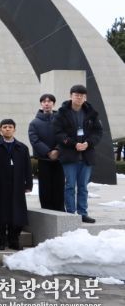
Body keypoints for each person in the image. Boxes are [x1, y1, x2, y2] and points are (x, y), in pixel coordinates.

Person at [53, 84, 103, 223]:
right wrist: (73, 143)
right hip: (69, 155)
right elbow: (58, 133)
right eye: (76, 95)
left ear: (85, 97)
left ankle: (82, 213)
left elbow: (98, 132)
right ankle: (71, 214)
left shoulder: (91, 113)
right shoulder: (61, 113)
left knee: (83, 187)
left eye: (82, 95)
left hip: (86, 155)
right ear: (71, 96)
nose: (79, 97)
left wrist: (88, 143)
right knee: (70, 186)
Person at [0, 119, 32, 250]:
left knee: (17, 214)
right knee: (0, 214)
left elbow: (28, 167)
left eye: (10, 127)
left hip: (17, 185)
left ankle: (14, 240)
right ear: (0, 129)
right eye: (4, 127)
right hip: (0, 185)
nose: (7, 129)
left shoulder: (22, 147)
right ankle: (0, 241)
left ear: (14, 129)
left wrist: (28, 184)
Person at [29, 94, 65, 211]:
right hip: (44, 159)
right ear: (41, 104)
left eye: (49, 101)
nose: (47, 103)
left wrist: (57, 150)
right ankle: (46, 210)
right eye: (44, 101)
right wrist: (49, 152)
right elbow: (35, 140)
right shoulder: (34, 123)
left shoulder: (61, 121)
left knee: (59, 186)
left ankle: (60, 210)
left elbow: (65, 137)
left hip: (59, 159)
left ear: (53, 104)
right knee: (45, 187)